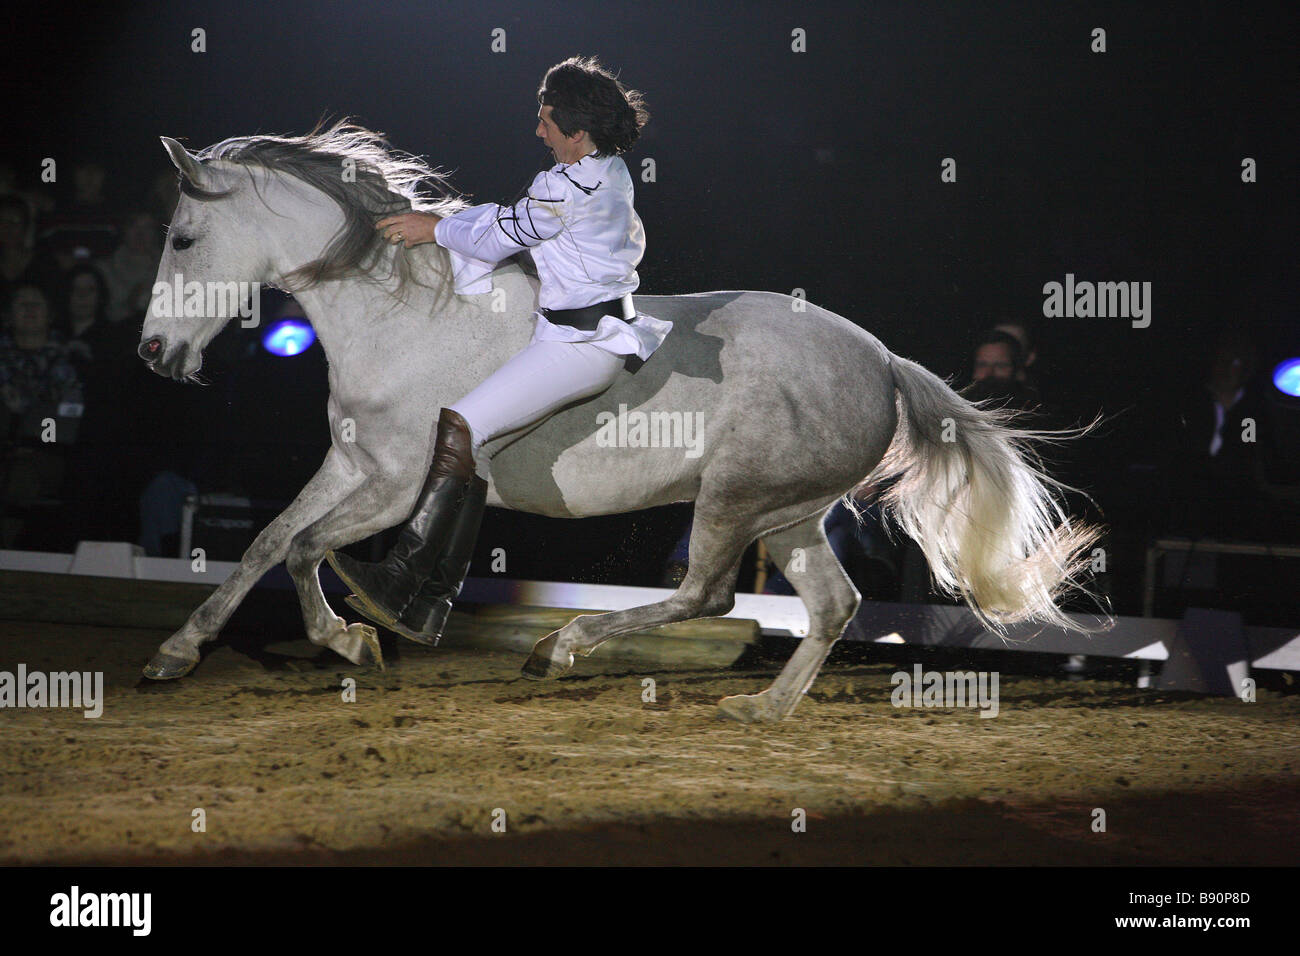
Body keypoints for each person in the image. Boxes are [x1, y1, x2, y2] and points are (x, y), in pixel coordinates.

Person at [328, 56, 669, 644]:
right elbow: (510, 221)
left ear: (576, 133)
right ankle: (427, 601)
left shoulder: (567, 184)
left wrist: (430, 227)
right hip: (578, 330)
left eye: (547, 122)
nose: (539, 131)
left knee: (460, 425)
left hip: (579, 343)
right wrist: (444, 222)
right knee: (470, 436)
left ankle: (409, 584)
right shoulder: (607, 168)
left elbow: (504, 233)